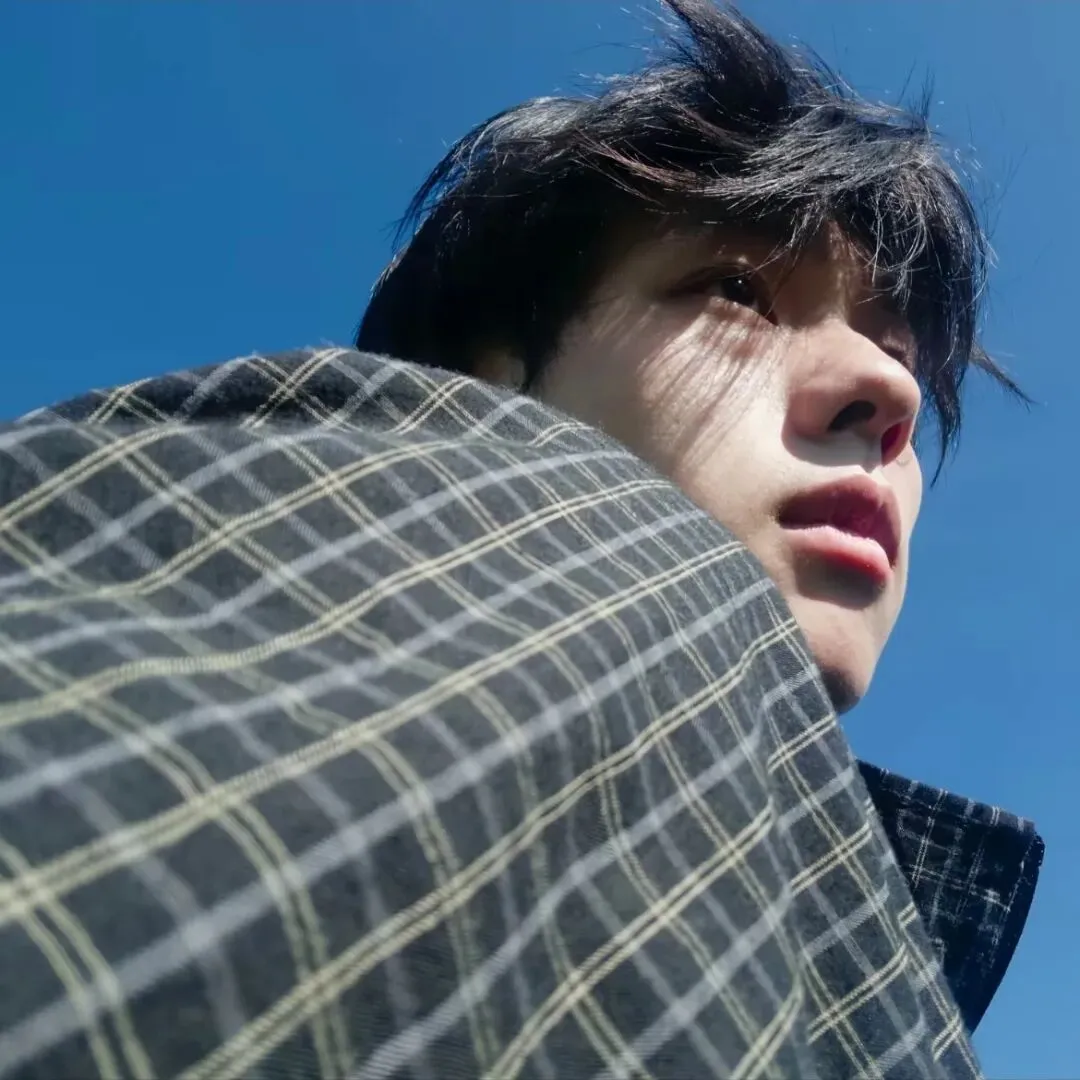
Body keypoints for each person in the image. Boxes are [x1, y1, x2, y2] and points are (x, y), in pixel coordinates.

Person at [0, 2, 1041, 1078]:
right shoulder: (586, 553)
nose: (888, 390)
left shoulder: (858, 937)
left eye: (899, 353)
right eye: (736, 291)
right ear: (491, 371)